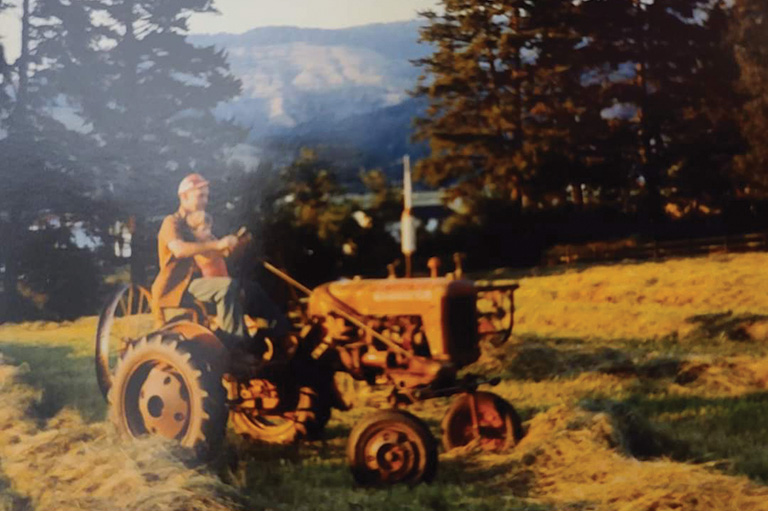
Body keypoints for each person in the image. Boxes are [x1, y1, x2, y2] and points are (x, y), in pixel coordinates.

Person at [150, 173, 246, 345]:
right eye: (200, 196)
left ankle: (262, 339)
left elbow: (215, 251)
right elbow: (179, 250)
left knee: (245, 288)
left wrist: (234, 245)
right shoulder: (171, 223)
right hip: (175, 288)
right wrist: (218, 245)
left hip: (195, 283)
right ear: (184, 197)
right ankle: (233, 346)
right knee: (226, 287)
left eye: (207, 196)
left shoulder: (195, 222)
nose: (205, 201)